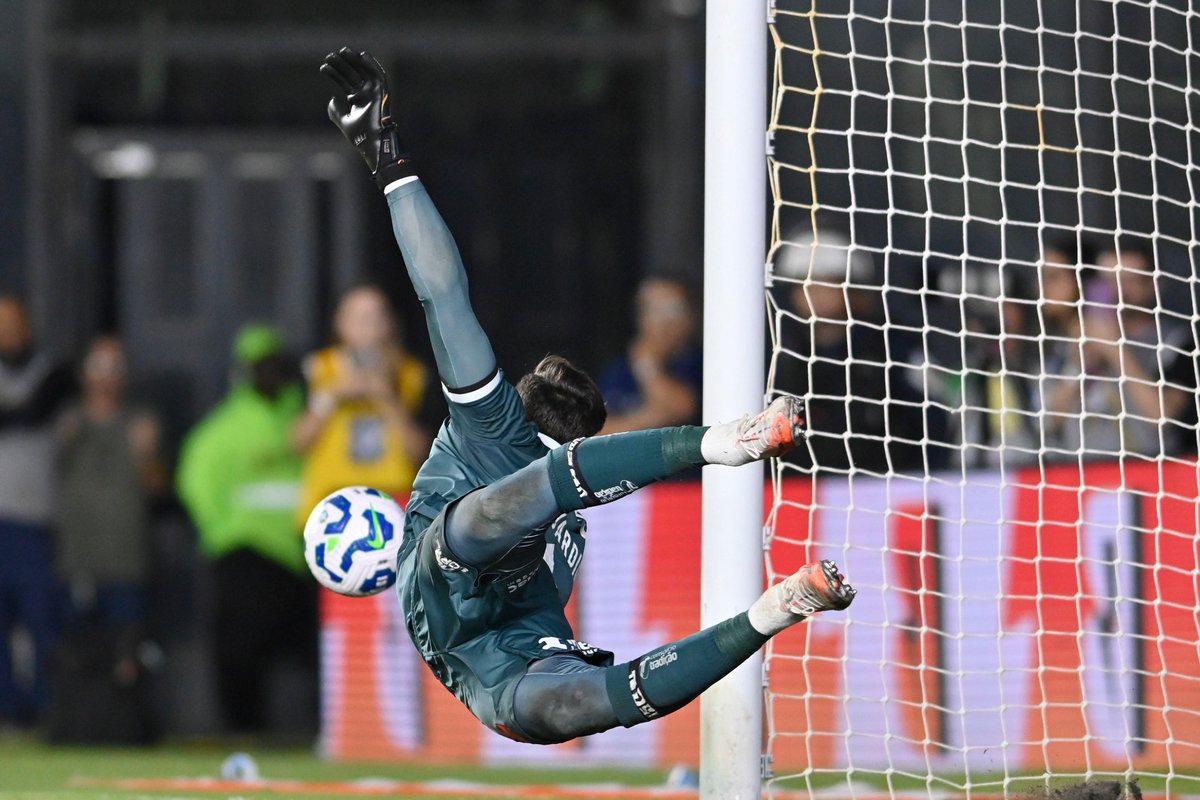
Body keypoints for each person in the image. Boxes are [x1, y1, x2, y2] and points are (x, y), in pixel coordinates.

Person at [320, 47, 856, 745]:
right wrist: (386, 160)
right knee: (500, 549)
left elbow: (443, 293)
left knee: (580, 699)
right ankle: (769, 588)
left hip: (500, 658)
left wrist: (387, 160)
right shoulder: (508, 441)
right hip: (465, 592)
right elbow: (440, 293)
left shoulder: (498, 427)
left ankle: (756, 551)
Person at [175, 324, 315, 734]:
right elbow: (194, 481)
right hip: (246, 552)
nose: (269, 375)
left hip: (306, 553)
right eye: (260, 367)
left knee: (314, 650)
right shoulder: (223, 428)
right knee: (241, 650)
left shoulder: (305, 419)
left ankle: (320, 728)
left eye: (275, 366)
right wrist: (222, 532)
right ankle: (243, 730)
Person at [771, 229, 942, 474]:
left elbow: (934, 419)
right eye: (803, 283)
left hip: (884, 481)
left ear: (851, 288)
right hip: (802, 486)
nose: (813, 292)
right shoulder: (782, 355)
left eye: (825, 282)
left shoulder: (891, 348)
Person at [293, 284, 431, 522]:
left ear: (389, 323)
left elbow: (422, 453)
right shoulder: (316, 369)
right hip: (332, 500)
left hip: (393, 500)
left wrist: (389, 400)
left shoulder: (412, 374)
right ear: (340, 323)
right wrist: (331, 396)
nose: (368, 328)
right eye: (359, 319)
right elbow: (297, 442)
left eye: (376, 317)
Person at [0, 294, 74, 726]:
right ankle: (7, 710)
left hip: (33, 519)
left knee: (41, 615)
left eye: (12, 322)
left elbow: (34, 411)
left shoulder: (52, 373)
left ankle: (50, 709)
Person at [56, 336, 165, 628]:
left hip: (126, 562)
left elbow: (158, 490)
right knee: (76, 646)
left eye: (115, 367)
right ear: (84, 371)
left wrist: (145, 455)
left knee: (126, 643)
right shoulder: (67, 420)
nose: (106, 376)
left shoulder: (141, 422)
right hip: (77, 560)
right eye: (99, 366)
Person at [597, 275, 701, 434]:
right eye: (653, 310)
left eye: (673, 310)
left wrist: (647, 364)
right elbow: (597, 429)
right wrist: (652, 416)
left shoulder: (700, 363)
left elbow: (680, 409)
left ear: (692, 316)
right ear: (639, 317)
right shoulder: (620, 369)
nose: (663, 322)